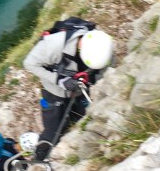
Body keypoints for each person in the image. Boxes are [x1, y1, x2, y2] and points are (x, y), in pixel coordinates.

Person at [23, 22, 114, 162]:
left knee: (82, 117)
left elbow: (103, 67)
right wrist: (60, 80)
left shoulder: (101, 44)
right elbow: (29, 63)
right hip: (54, 92)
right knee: (52, 131)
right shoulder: (54, 45)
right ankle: (39, 161)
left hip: (79, 89)